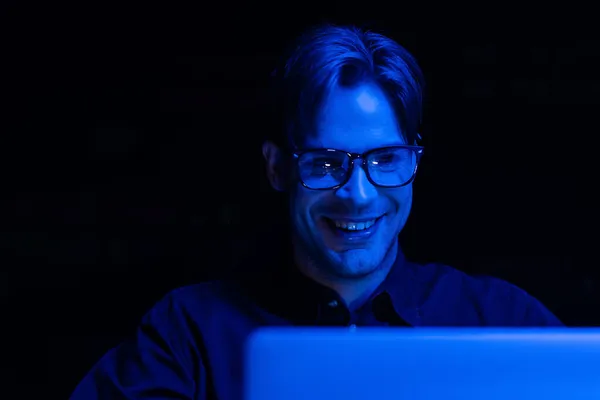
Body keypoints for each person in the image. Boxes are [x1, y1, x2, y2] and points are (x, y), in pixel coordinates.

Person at [71, 24, 563, 400]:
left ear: (414, 162)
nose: (359, 194)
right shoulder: (188, 336)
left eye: (385, 160)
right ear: (277, 168)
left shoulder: (501, 320)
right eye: (326, 163)